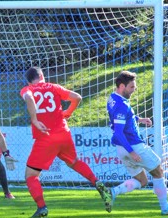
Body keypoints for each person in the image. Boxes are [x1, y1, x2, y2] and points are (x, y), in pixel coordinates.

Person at [20, 67, 112, 218]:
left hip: (46, 137)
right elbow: (77, 97)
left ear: (29, 81)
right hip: (64, 134)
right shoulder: (54, 87)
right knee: (75, 162)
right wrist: (67, 113)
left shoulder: (27, 89)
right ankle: (97, 183)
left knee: (31, 175)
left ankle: (42, 207)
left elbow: (29, 98)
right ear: (42, 75)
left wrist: (35, 120)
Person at [107, 71, 168, 215]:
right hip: (133, 145)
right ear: (122, 86)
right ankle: (165, 207)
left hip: (121, 148)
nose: (134, 89)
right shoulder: (121, 105)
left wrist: (139, 119)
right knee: (158, 171)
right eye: (131, 87)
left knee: (141, 181)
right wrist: (132, 152)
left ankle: (114, 192)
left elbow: (124, 118)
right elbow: (118, 132)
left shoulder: (112, 98)